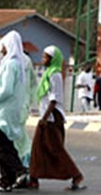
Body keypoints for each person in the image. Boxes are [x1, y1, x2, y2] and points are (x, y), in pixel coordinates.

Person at [28, 45, 86, 191]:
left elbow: (54, 99)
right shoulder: (49, 73)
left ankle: (76, 175)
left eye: (46, 57)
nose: (43, 60)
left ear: (53, 59)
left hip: (52, 118)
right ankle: (33, 178)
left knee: (55, 149)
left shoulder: (55, 75)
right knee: (38, 148)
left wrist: (45, 118)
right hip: (46, 117)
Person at [0, 31, 28, 193]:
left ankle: (19, 170)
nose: (0, 48)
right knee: (4, 143)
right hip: (6, 109)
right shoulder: (13, 63)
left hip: (4, 110)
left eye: (2, 45)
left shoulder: (11, 65)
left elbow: (6, 90)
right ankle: (6, 181)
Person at [13, 49, 38, 171]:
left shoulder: (11, 62)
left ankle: (23, 165)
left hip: (13, 106)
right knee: (19, 136)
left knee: (16, 137)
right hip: (24, 104)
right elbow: (33, 83)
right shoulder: (27, 61)